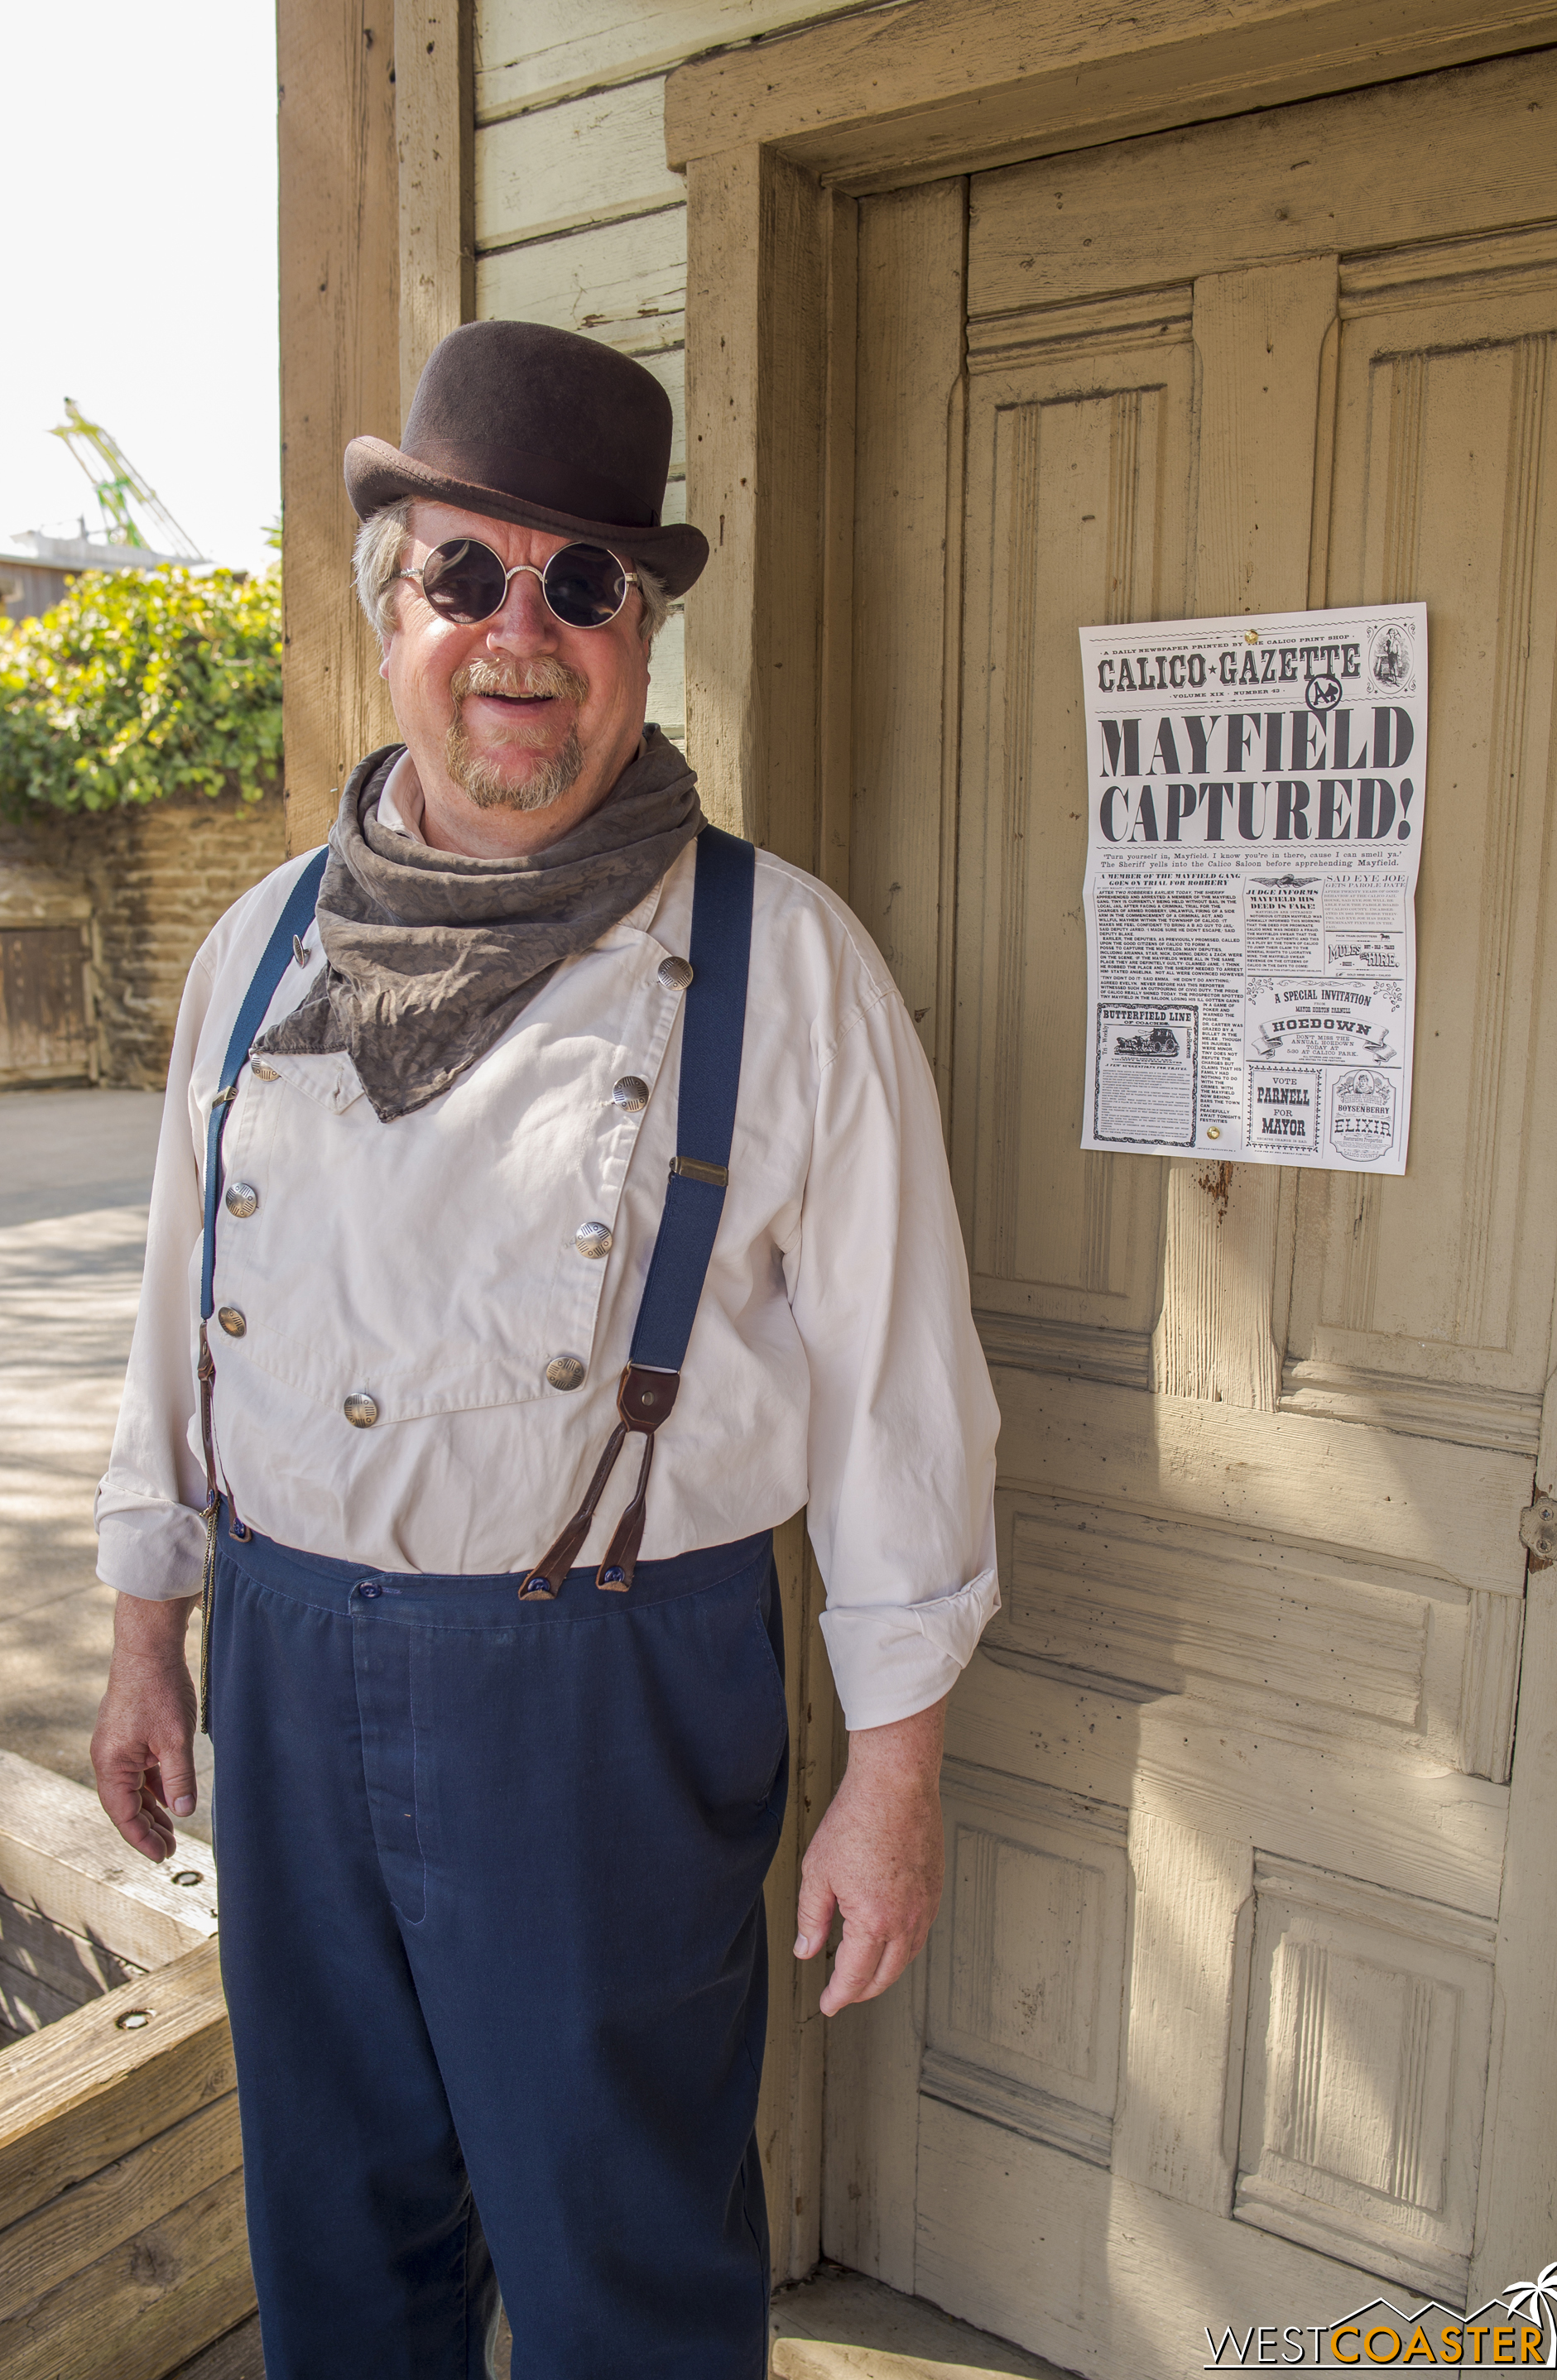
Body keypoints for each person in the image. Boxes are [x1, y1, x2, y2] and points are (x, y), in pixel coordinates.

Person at [89, 319, 999, 2380]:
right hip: (288, 1668)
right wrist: (150, 1635)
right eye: (468, 574)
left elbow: (900, 1400)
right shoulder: (254, 953)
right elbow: (175, 1316)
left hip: (610, 1687)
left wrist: (896, 1774)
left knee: (623, 2254)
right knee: (337, 2222)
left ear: (645, 633)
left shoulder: (788, 963)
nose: (525, 629)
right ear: (389, 604)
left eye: (585, 581)